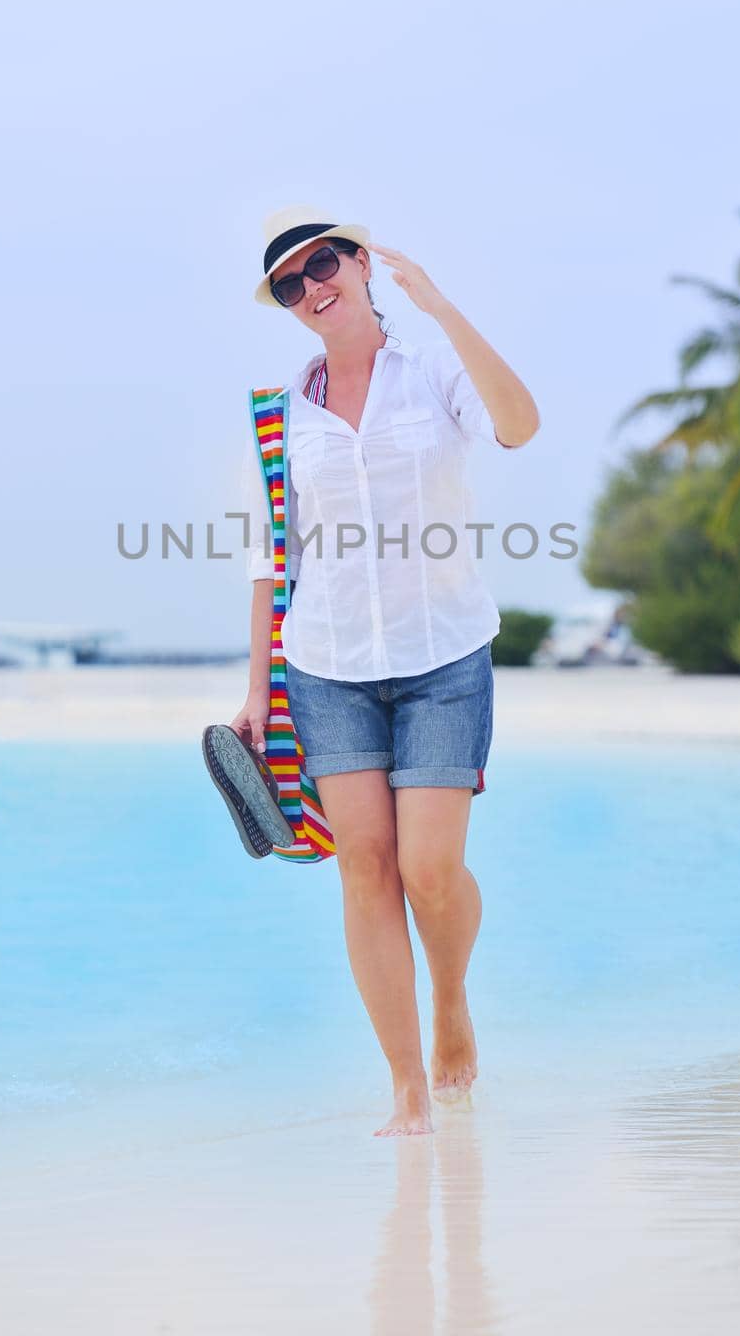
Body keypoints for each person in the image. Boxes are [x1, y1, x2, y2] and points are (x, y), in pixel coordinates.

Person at [230, 205, 540, 1136]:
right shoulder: (278, 414)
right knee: (363, 868)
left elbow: (519, 427)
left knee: (430, 870)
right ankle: (407, 1089)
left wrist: (443, 310)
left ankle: (451, 1000)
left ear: (361, 264)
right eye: (291, 285)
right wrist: (258, 687)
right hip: (327, 666)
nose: (312, 288)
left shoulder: (436, 370)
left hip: (443, 654)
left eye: (322, 265)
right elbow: (268, 557)